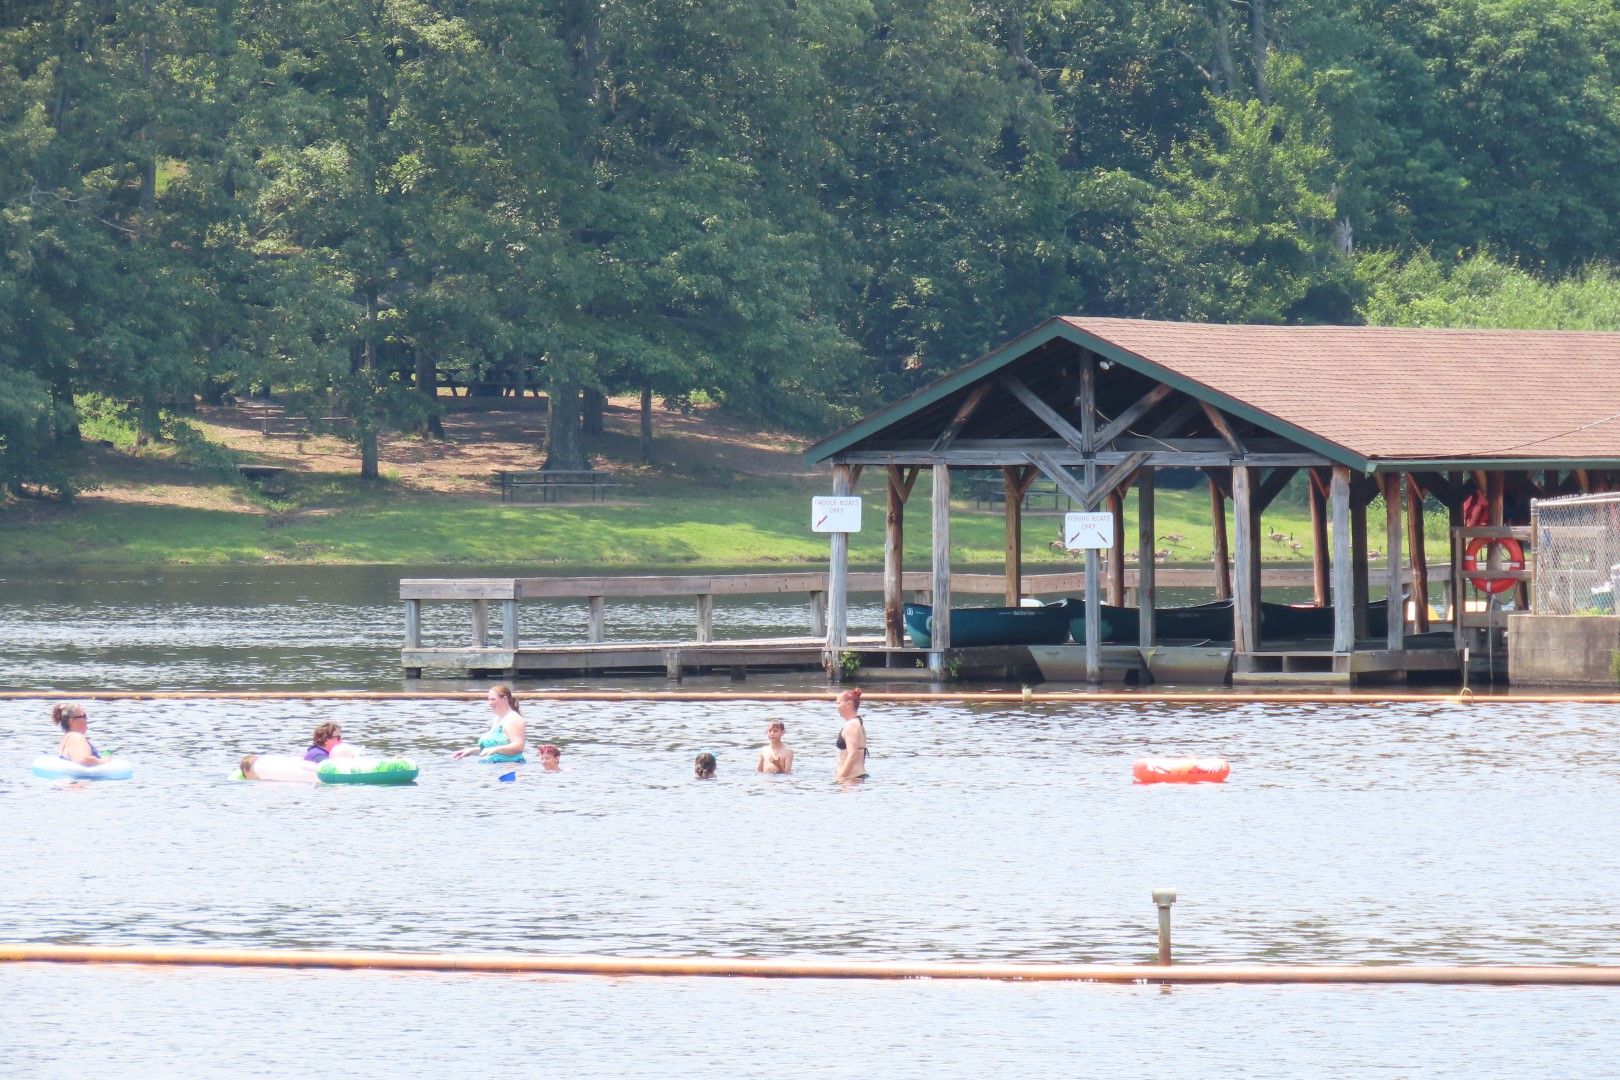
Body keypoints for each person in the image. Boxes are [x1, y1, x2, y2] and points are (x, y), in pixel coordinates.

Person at [453, 683, 527, 763]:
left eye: (493, 699)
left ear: (505, 699)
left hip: (509, 768)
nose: (490, 703)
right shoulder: (497, 719)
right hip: (492, 769)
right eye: (489, 699)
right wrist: (470, 751)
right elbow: (489, 749)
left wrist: (494, 750)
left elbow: (518, 746)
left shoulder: (513, 719)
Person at [50, 702, 106, 767]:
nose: (87, 719)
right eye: (84, 716)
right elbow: (85, 760)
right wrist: (105, 760)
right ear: (72, 721)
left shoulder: (68, 737)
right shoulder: (76, 737)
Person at [833, 688, 868, 782]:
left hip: (852, 779)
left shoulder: (851, 725)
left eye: (838, 703)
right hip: (857, 778)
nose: (836, 707)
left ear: (848, 704)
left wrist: (840, 778)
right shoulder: (858, 722)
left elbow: (853, 754)